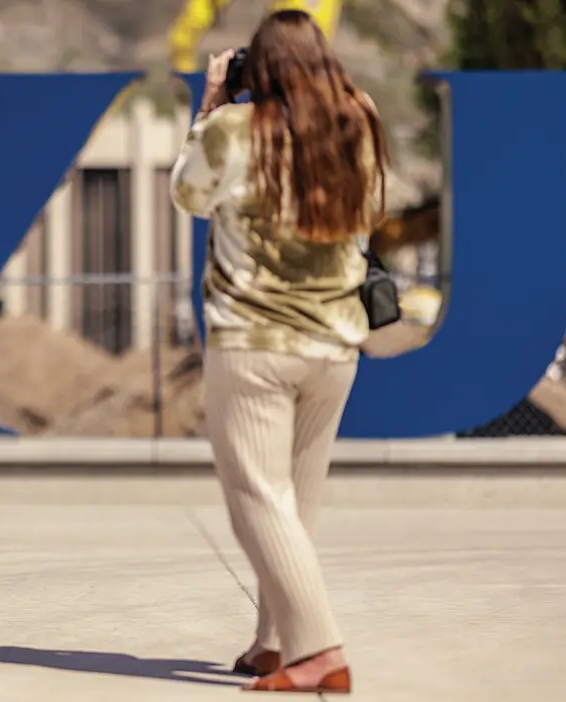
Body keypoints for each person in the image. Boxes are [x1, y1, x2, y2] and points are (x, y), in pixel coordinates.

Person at [169, 9, 388, 695]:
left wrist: (208, 104)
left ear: (254, 70)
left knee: (256, 499)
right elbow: (376, 209)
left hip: (256, 343)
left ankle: (319, 650)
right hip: (336, 344)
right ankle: (273, 643)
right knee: (295, 503)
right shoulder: (357, 124)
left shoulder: (237, 129)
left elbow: (187, 194)